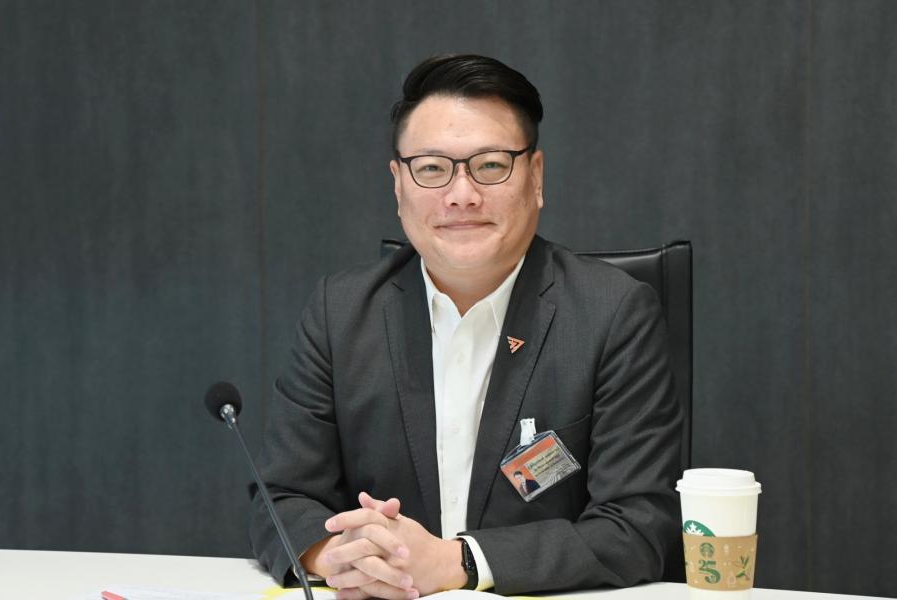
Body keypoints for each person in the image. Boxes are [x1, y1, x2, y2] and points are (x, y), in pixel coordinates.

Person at [249, 54, 683, 599]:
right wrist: (339, 554)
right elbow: (280, 497)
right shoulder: (340, 313)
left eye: (491, 165)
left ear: (536, 176)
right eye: (432, 169)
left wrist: (458, 563)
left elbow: (636, 526)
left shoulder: (613, 313)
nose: (461, 195)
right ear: (398, 185)